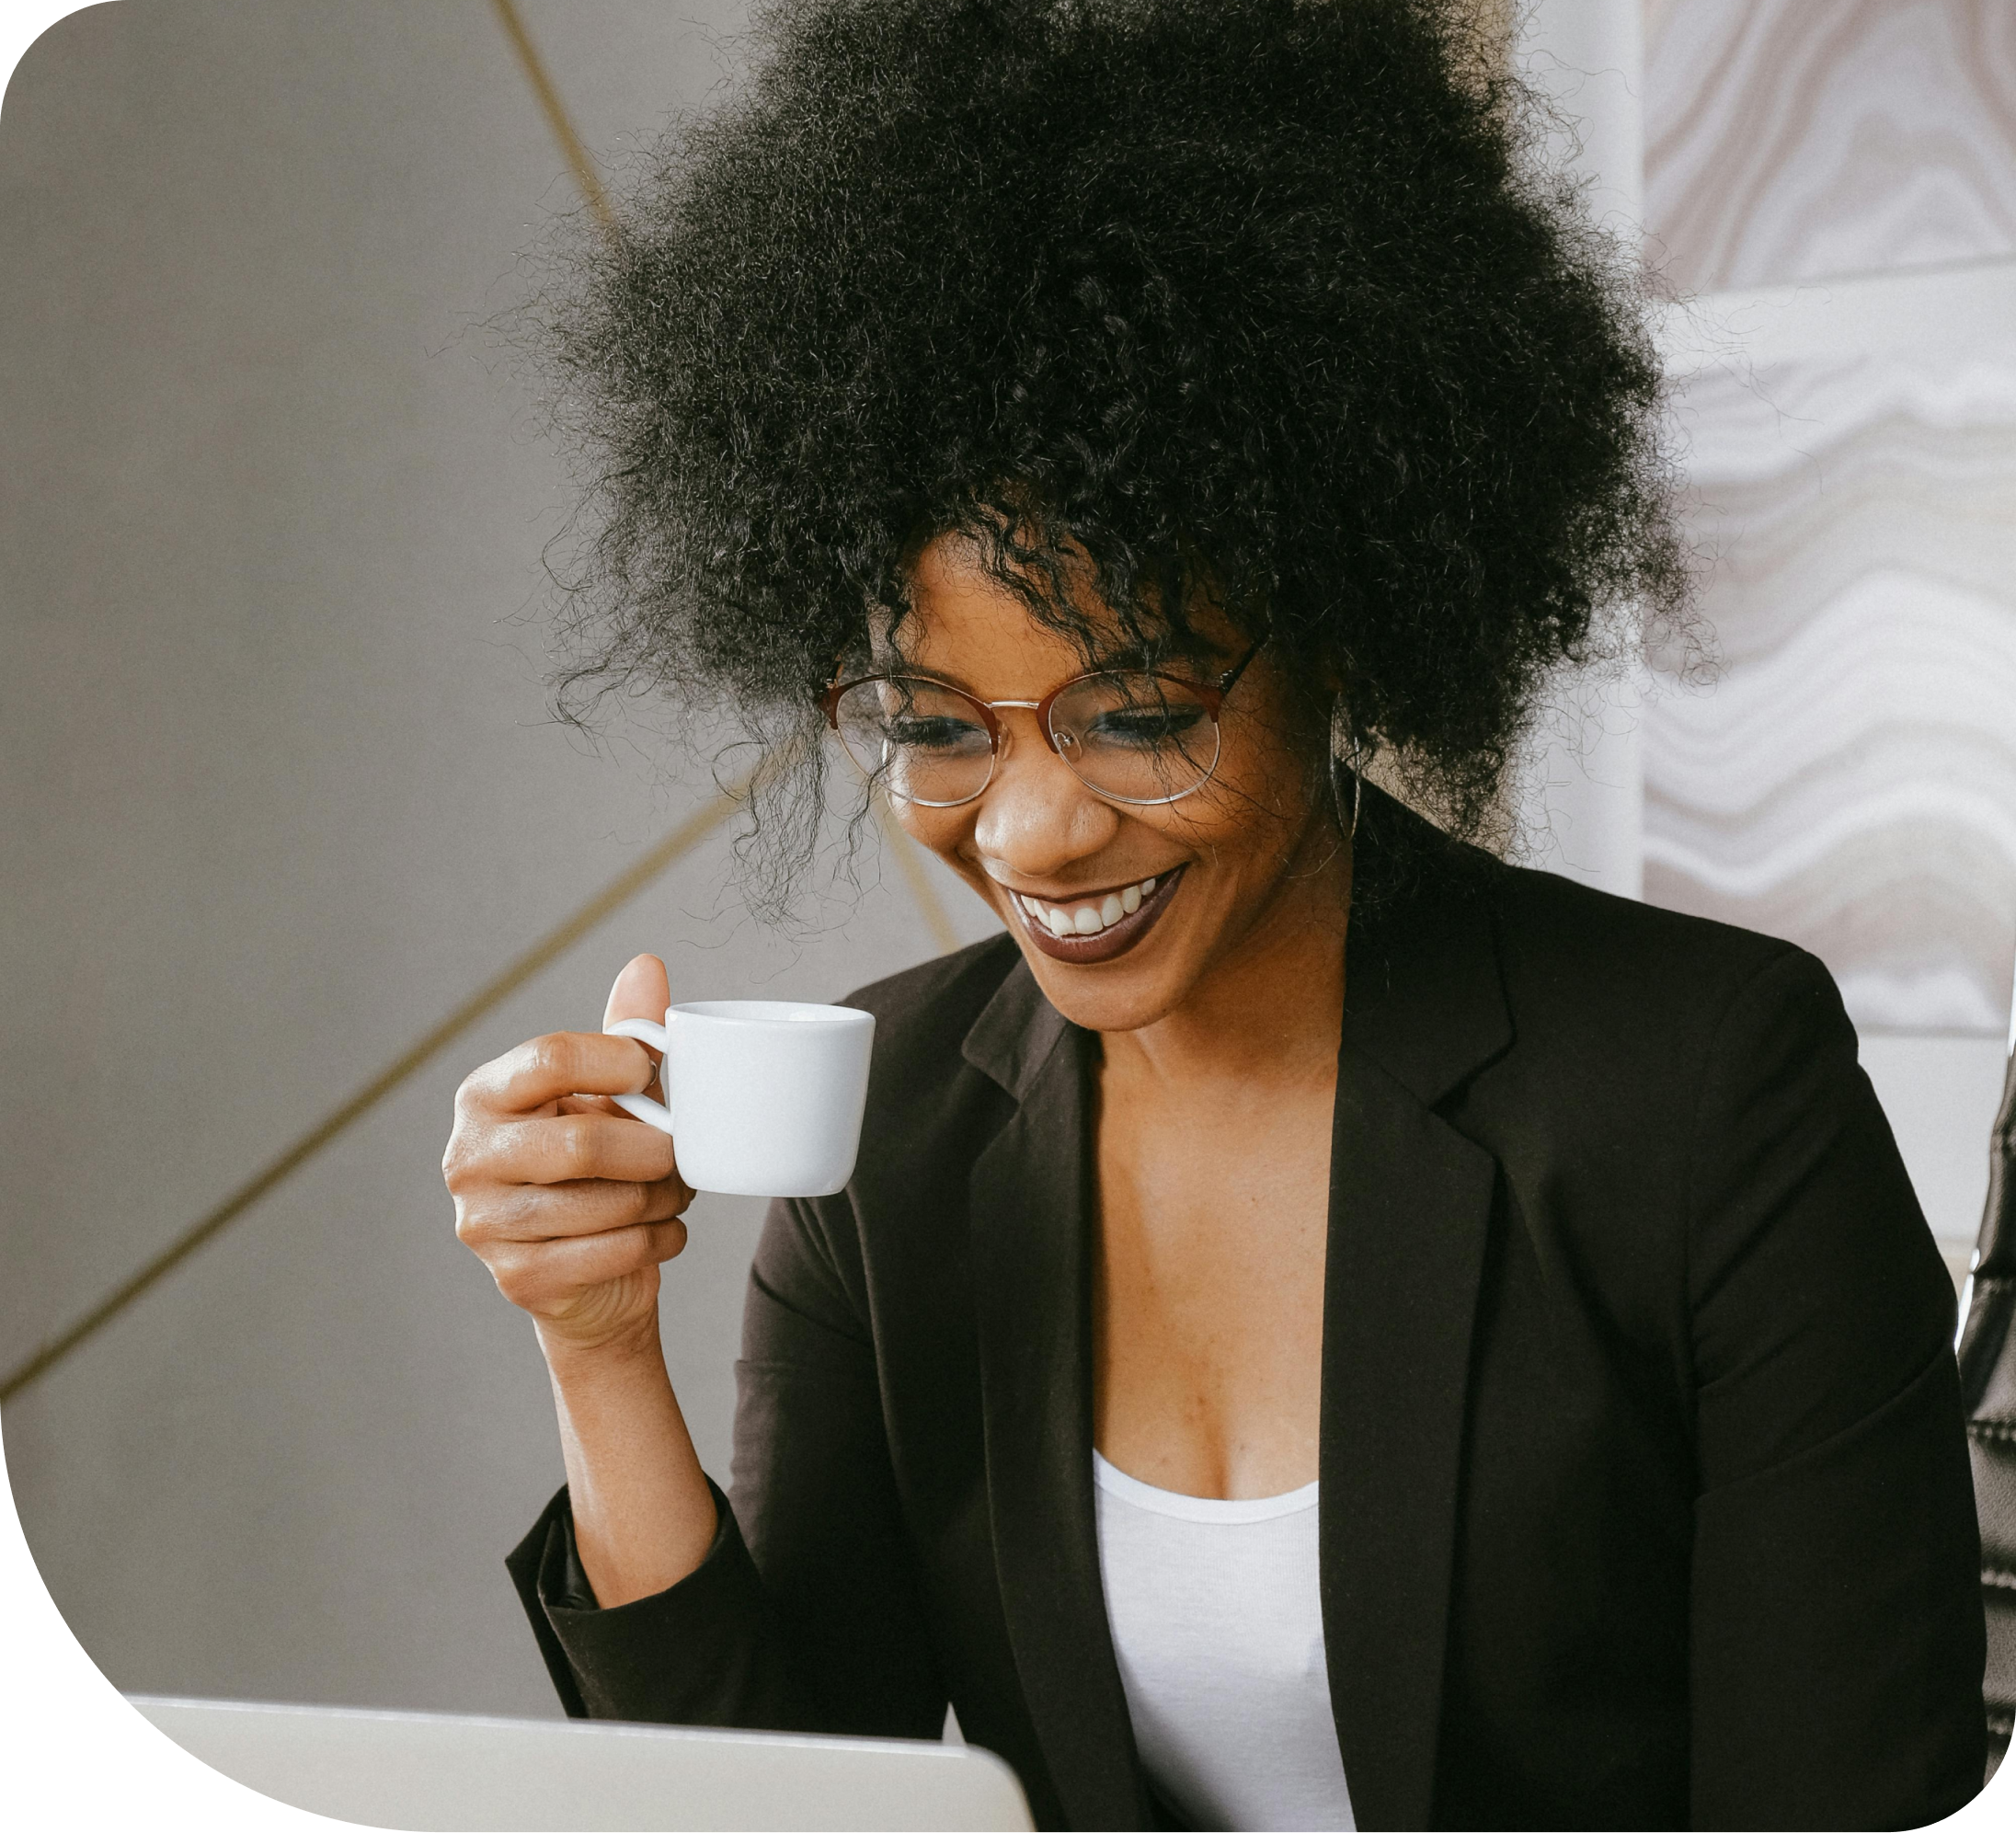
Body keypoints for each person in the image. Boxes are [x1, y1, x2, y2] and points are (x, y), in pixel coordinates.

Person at [441, 4, 1986, 1828]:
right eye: (935, 728)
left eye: (1142, 712)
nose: (1028, 824)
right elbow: (791, 1798)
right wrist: (597, 1347)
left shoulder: (1702, 1089)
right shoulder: (900, 1135)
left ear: (1342, 631)